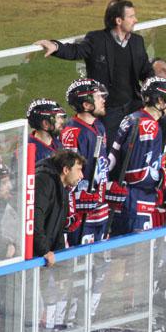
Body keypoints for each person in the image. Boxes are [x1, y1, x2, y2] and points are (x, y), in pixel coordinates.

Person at [35, 0, 155, 148]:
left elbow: (145, 70)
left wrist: (154, 85)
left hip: (133, 106)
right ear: (118, 20)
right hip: (108, 110)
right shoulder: (97, 39)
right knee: (110, 149)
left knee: (140, 143)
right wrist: (56, 46)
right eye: (131, 16)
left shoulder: (137, 41)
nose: (135, 20)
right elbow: (76, 51)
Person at [106, 77, 166, 235]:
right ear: (160, 100)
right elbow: (137, 174)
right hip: (135, 202)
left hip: (125, 199)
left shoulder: (134, 117)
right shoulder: (148, 125)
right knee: (137, 250)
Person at [60, 78, 110, 245]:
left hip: (100, 208)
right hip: (81, 212)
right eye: (99, 97)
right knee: (78, 259)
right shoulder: (71, 132)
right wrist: (76, 200)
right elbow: (67, 176)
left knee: (100, 259)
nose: (103, 100)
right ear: (87, 105)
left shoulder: (99, 126)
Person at [33, 150, 85, 265]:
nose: (81, 175)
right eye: (78, 170)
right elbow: (35, 219)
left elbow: (58, 230)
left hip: (46, 257)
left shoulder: (62, 189)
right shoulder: (43, 181)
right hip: (35, 259)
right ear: (66, 170)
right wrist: (44, 251)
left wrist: (61, 258)